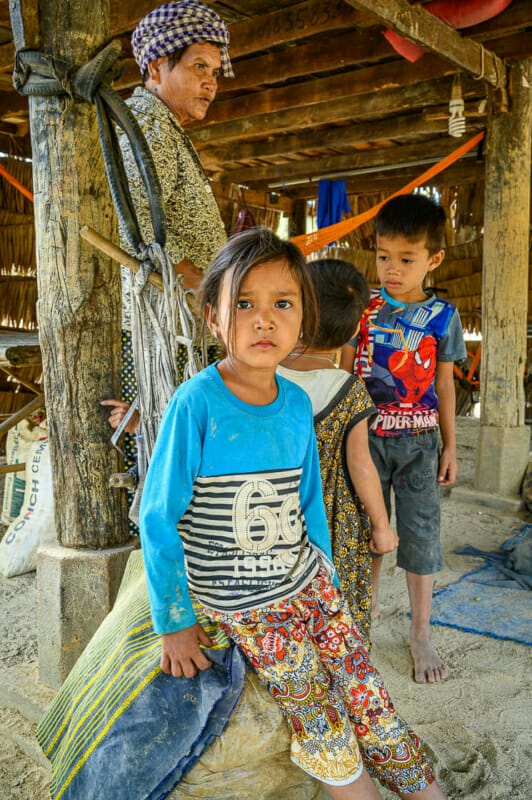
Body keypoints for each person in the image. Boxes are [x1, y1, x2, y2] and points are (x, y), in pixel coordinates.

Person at [139, 227, 448, 799]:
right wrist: (175, 623)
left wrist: (327, 581)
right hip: (243, 599)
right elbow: (157, 516)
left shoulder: (297, 405)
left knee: (369, 695)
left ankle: (424, 789)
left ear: (304, 318)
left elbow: (308, 503)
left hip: (307, 583)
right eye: (244, 304)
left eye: (282, 304)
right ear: (213, 318)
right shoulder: (196, 403)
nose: (264, 320)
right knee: (317, 709)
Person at [101, 0, 233, 475]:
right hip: (161, 330)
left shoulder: (163, 126)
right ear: (157, 67)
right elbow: (133, 224)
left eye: (215, 72)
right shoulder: (149, 125)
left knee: (176, 451)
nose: (211, 83)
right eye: (199, 67)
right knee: (161, 457)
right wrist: (201, 283)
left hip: (177, 325)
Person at [340, 193, 467, 685]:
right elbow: (344, 371)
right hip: (364, 444)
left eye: (406, 259)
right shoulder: (363, 309)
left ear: (434, 259)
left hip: (420, 445)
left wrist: (450, 446)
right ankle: (365, 614)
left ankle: (419, 632)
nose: (391, 269)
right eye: (383, 256)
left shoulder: (443, 316)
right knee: (367, 532)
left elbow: (445, 385)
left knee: (420, 536)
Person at [278, 257, 398, 646]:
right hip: (333, 523)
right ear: (354, 328)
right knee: (334, 609)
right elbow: (361, 465)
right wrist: (381, 526)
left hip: (271, 512)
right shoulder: (348, 390)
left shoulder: (262, 376)